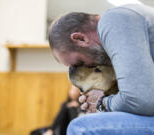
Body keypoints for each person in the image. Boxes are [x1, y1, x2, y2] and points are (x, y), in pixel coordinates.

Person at [48, 4, 154, 135]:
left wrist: (102, 103)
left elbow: (142, 101)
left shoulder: (115, 20)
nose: (87, 67)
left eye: (81, 62)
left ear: (80, 38)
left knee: (81, 127)